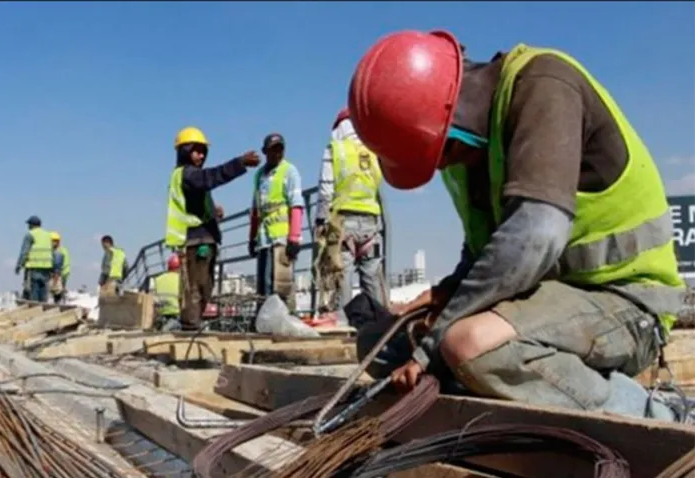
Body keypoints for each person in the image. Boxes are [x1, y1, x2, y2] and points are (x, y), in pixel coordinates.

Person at [349, 30, 686, 421]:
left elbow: (533, 235)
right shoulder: (467, 149)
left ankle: (658, 415)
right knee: (380, 344)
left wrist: (435, 343)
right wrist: (448, 293)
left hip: (625, 303)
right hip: (545, 298)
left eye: (440, 156)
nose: (442, 166)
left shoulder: (544, 86)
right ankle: (505, 383)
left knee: (468, 345)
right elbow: (484, 249)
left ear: (447, 125)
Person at [165, 126, 260, 330]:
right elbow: (211, 177)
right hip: (195, 240)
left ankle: (192, 323)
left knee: (203, 286)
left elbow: (193, 205)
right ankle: (191, 327)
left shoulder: (187, 176)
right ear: (184, 151)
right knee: (197, 287)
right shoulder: (188, 174)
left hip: (201, 238)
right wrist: (239, 163)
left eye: (203, 151)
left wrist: (212, 213)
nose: (200, 155)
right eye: (196, 150)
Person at [315, 108, 388, 322]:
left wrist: (321, 219)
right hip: (372, 223)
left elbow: (326, 187)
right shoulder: (374, 150)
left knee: (341, 275)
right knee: (372, 277)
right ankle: (381, 325)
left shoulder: (335, 149)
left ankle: (346, 325)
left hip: (343, 222)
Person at [249, 133, 305, 312]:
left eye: (280, 149)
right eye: (273, 150)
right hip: (264, 238)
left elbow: (296, 204)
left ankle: (283, 319)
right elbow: (256, 210)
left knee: (281, 284)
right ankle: (263, 320)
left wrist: (294, 237)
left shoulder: (289, 171)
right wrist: (252, 237)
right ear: (265, 152)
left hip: (282, 239)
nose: (277, 154)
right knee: (263, 284)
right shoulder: (259, 175)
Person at [15, 215, 54, 303]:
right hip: (47, 269)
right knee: (43, 294)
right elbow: (52, 252)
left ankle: (35, 313)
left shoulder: (30, 235)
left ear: (31, 225)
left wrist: (18, 266)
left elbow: (24, 252)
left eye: (29, 225)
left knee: (33, 294)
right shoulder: (48, 235)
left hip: (34, 268)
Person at [152, 254, 181, 330]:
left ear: (168, 267)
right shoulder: (181, 279)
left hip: (161, 314)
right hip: (175, 314)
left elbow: (153, 298)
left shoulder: (158, 279)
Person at [51, 232, 70, 303]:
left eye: (54, 240)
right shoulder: (54, 251)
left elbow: (64, 264)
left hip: (60, 274)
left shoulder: (60, 251)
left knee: (58, 292)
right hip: (58, 274)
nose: (53, 242)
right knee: (57, 292)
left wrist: (60, 275)